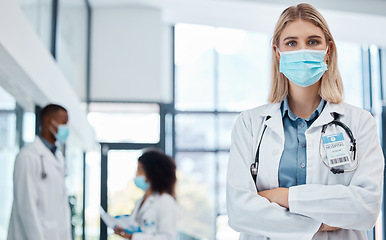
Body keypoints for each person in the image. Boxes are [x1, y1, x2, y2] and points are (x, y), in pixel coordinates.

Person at [226, 3, 384, 240]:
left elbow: (366, 208)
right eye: (291, 43)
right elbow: (240, 212)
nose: (302, 51)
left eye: (313, 42)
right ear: (277, 52)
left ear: (328, 49)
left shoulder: (360, 122)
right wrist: (318, 224)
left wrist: (284, 197)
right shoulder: (250, 124)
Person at [7, 104, 71, 240]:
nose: (66, 128)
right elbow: (26, 207)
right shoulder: (28, 156)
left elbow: (62, 207)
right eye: (64, 123)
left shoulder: (58, 158)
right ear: (49, 122)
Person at [113, 149, 178, 240]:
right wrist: (126, 231)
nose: (136, 174)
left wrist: (133, 237)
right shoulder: (141, 201)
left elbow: (167, 237)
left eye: (139, 170)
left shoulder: (165, 201)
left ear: (152, 172)